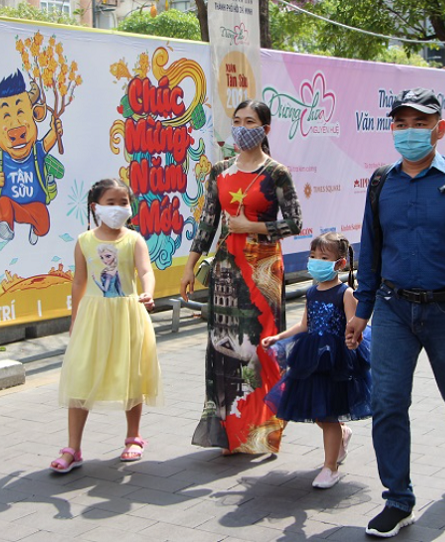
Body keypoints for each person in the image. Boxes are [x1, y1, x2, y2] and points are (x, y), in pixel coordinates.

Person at [345, 88, 445, 537]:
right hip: (394, 311)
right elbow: (371, 253)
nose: (410, 132)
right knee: (387, 402)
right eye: (402, 123)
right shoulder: (381, 183)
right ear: (391, 129)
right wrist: (363, 310)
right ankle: (398, 500)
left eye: (420, 123)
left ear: (440, 129)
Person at [180, 99, 303, 454]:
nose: (242, 126)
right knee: (225, 346)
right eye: (237, 120)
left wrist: (253, 225)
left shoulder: (276, 172)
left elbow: (294, 222)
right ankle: (232, 433)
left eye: (251, 121)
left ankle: (264, 429)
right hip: (226, 269)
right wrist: (190, 264)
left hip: (264, 271)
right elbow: (207, 222)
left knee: (261, 346)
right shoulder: (219, 171)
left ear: (265, 130)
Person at [50, 178, 163, 473]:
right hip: (92, 317)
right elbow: (78, 282)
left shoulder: (134, 240)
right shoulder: (84, 241)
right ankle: (73, 448)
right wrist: (74, 320)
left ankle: (133, 437)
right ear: (95, 207)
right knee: (80, 377)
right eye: (110, 203)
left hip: (128, 314)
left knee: (131, 375)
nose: (117, 208)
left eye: (123, 203)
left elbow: (145, 271)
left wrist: (148, 290)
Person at [262, 232, 371, 489]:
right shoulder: (311, 293)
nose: (316, 262)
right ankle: (342, 435)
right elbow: (304, 325)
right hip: (311, 358)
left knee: (328, 414)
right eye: (313, 256)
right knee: (321, 414)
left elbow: (355, 326)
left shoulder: (345, 293)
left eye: (323, 257)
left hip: (336, 359)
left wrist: (353, 341)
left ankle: (330, 467)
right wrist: (279, 336)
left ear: (339, 263)